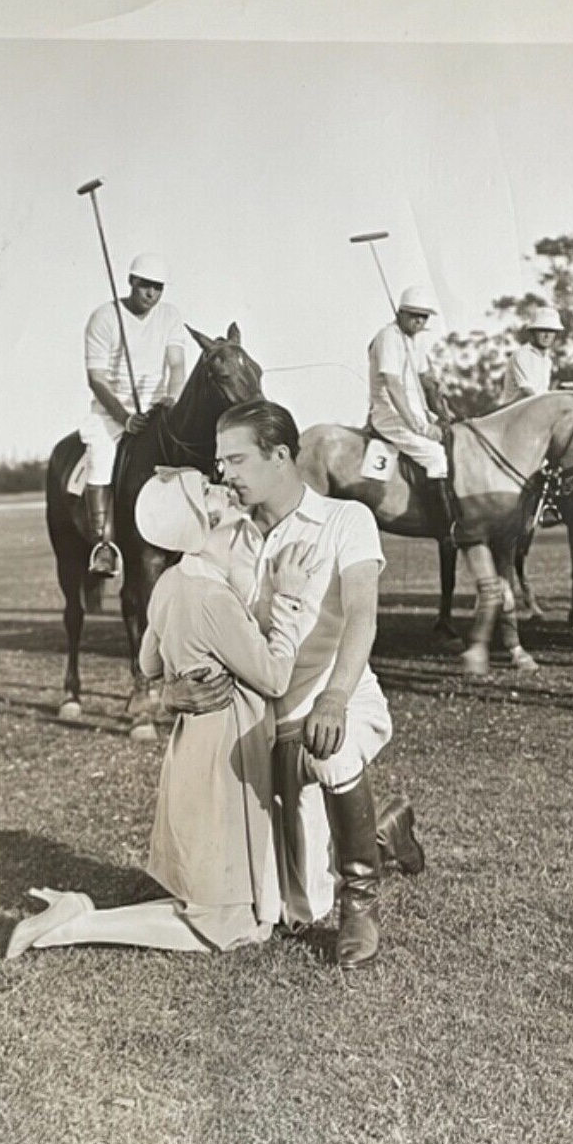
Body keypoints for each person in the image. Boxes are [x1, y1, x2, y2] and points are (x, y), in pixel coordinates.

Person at [5, 475, 323, 958]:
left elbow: (149, 665)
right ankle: (78, 923)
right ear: (207, 521)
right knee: (225, 928)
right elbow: (275, 678)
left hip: (195, 748)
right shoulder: (212, 597)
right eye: (212, 493)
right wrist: (290, 599)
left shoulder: (172, 582)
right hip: (226, 756)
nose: (224, 489)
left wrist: (178, 680)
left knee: (240, 916)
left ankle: (87, 917)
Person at [166, 400, 423, 970]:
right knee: (293, 908)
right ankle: (382, 832)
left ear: (280, 457)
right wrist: (170, 693)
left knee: (329, 752)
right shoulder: (226, 542)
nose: (224, 474)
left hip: (340, 703)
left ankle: (361, 903)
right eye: (219, 462)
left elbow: (362, 614)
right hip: (264, 732)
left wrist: (333, 697)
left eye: (235, 459)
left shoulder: (344, 520)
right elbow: (200, 639)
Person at [80, 252, 190, 576]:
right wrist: (124, 417)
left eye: (158, 288)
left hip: (157, 408)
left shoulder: (169, 316)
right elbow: (96, 379)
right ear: (131, 281)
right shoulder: (104, 317)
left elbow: (177, 365)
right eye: (145, 286)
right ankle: (103, 546)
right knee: (100, 460)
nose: (151, 295)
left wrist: (173, 398)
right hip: (112, 412)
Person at [367, 285, 459, 537]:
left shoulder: (412, 341)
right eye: (414, 315)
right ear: (401, 313)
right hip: (389, 414)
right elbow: (393, 386)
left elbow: (424, 375)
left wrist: (440, 393)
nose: (419, 321)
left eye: (424, 316)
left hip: (415, 411)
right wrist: (420, 427)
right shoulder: (388, 337)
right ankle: (444, 524)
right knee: (435, 456)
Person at [498, 306, 564, 406]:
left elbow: (543, 393)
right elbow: (527, 392)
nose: (547, 335)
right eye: (542, 330)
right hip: (514, 414)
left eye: (551, 331)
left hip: (536, 409)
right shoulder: (522, 355)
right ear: (533, 332)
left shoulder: (547, 360)